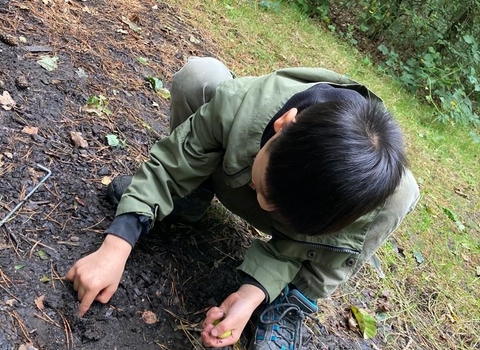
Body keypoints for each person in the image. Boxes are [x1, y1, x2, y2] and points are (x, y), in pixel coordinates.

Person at [66, 57, 420, 349]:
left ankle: (291, 301)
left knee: (404, 193)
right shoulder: (243, 103)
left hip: (310, 215)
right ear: (284, 124)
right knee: (201, 76)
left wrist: (253, 293)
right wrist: (117, 243)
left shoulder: (363, 195)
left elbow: (311, 248)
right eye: (265, 190)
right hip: (227, 173)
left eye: (278, 208)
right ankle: (189, 199)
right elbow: (172, 163)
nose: (264, 208)